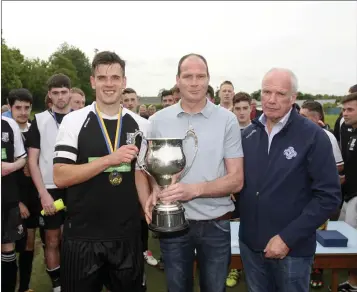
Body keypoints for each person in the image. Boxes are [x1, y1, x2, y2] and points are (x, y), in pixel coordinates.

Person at [144, 53, 244, 292]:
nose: (194, 82)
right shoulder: (158, 120)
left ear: (209, 80)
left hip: (216, 223)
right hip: (174, 223)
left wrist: (193, 190)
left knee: (214, 288)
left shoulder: (227, 120)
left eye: (201, 76)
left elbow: (237, 180)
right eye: (188, 76)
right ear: (177, 80)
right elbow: (149, 166)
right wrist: (154, 187)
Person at [53, 51, 150, 292]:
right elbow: (61, 176)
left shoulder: (141, 124)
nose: (109, 84)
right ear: (93, 81)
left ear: (124, 82)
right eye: (103, 77)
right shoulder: (73, 121)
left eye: (115, 77)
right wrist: (109, 160)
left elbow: (138, 172)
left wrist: (148, 202)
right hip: (83, 236)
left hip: (126, 235)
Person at [239, 68, 341, 292]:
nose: (272, 100)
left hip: (292, 250)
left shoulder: (314, 136)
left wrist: (287, 238)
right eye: (266, 92)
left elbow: (328, 196)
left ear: (293, 97)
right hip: (250, 246)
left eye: (280, 93)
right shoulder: (248, 134)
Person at [28, 73, 72, 292]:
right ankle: (57, 286)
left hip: (76, 188)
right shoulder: (39, 120)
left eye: (64, 92)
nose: (60, 97)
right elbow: (33, 161)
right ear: (49, 95)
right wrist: (42, 193)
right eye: (56, 93)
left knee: (75, 239)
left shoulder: (82, 117)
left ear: (71, 93)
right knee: (52, 239)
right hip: (51, 189)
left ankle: (75, 278)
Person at [300, 100, 344, 288]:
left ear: (316, 118)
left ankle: (317, 271)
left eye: (303, 116)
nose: (298, 119)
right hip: (298, 198)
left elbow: (339, 166)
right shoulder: (294, 134)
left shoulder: (326, 136)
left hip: (317, 197)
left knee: (317, 234)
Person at [7, 88, 42, 292]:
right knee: (8, 244)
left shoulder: (34, 130)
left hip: (32, 195)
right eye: (17, 107)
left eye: (26, 107)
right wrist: (17, 201)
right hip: (11, 198)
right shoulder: (5, 132)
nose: (22, 112)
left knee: (29, 242)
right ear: (10, 107)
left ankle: (25, 287)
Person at [226, 91, 253, 288]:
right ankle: (234, 267)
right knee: (234, 228)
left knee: (252, 228)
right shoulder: (228, 130)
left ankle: (252, 266)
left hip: (253, 190)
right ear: (232, 109)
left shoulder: (259, 130)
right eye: (238, 109)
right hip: (232, 190)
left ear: (251, 108)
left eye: (245, 108)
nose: (241, 112)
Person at [1, 115, 27, 292]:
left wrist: (10, 167)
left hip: (7, 198)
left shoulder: (9, 124)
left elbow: (23, 158)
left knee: (7, 247)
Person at [335, 92, 357, 292]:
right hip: (349, 195)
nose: (345, 113)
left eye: (350, 109)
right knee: (348, 241)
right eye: (344, 109)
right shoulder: (350, 131)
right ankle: (352, 281)